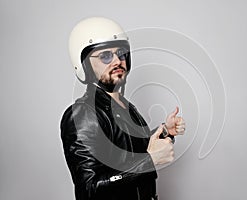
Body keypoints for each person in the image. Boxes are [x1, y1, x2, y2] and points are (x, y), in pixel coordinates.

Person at [60, 17, 185, 200]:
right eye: (105, 56)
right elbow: (89, 189)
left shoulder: (125, 106)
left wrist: (165, 132)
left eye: (121, 53)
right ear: (85, 64)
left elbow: (131, 151)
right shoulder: (82, 115)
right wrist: (149, 161)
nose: (118, 61)